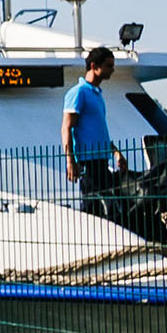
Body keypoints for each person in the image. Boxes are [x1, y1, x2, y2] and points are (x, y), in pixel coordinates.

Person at [63, 47, 121, 218]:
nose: (112, 70)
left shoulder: (97, 94)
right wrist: (70, 160)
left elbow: (98, 130)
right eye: (109, 66)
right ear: (94, 66)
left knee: (109, 207)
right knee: (93, 208)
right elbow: (67, 127)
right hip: (88, 162)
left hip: (101, 159)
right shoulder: (79, 93)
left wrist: (116, 152)